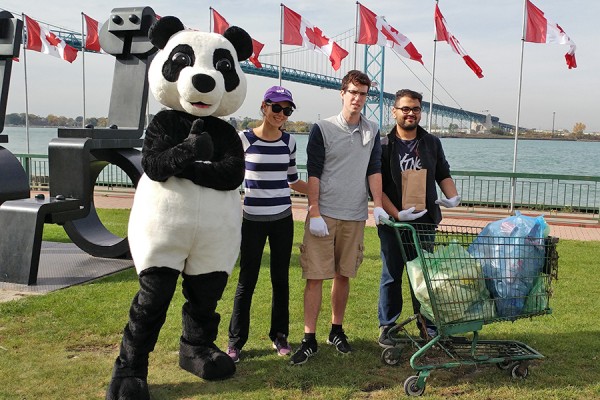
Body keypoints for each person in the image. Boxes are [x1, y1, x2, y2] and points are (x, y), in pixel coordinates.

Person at [290, 70, 388, 365]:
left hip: (355, 214)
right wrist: (314, 211)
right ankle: (309, 338)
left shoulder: (373, 130)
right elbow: (315, 172)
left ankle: (336, 330)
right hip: (325, 214)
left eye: (363, 94)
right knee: (315, 277)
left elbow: (374, 170)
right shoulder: (322, 128)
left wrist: (378, 206)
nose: (358, 98)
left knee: (343, 274)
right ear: (342, 93)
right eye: (353, 92)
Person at [227, 86, 308, 363]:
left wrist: (324, 191)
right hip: (252, 221)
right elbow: (229, 176)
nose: (281, 115)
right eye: (276, 108)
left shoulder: (289, 143)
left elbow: (293, 180)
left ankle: (280, 335)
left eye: (287, 110)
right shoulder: (244, 140)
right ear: (264, 106)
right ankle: (236, 342)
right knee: (246, 281)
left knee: (280, 280)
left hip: (283, 220)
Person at [377, 89, 460, 347]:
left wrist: (453, 196)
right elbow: (376, 186)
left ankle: (427, 325)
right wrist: (395, 213)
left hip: (424, 222)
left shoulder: (432, 142)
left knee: (424, 275)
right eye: (405, 108)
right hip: (394, 223)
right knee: (392, 275)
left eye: (415, 109)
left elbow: (442, 173)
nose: (410, 113)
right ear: (394, 112)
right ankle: (388, 326)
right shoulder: (382, 145)